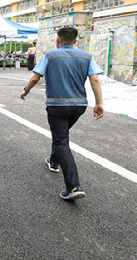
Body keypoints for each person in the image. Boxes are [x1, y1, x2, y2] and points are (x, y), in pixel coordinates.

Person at [20, 27, 104, 200]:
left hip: (57, 106)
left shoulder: (50, 55)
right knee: (61, 137)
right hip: (79, 106)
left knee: (61, 141)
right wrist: (99, 103)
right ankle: (53, 160)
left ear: (57, 41)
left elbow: (36, 77)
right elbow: (94, 79)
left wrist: (26, 90)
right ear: (75, 42)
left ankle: (73, 186)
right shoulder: (87, 56)